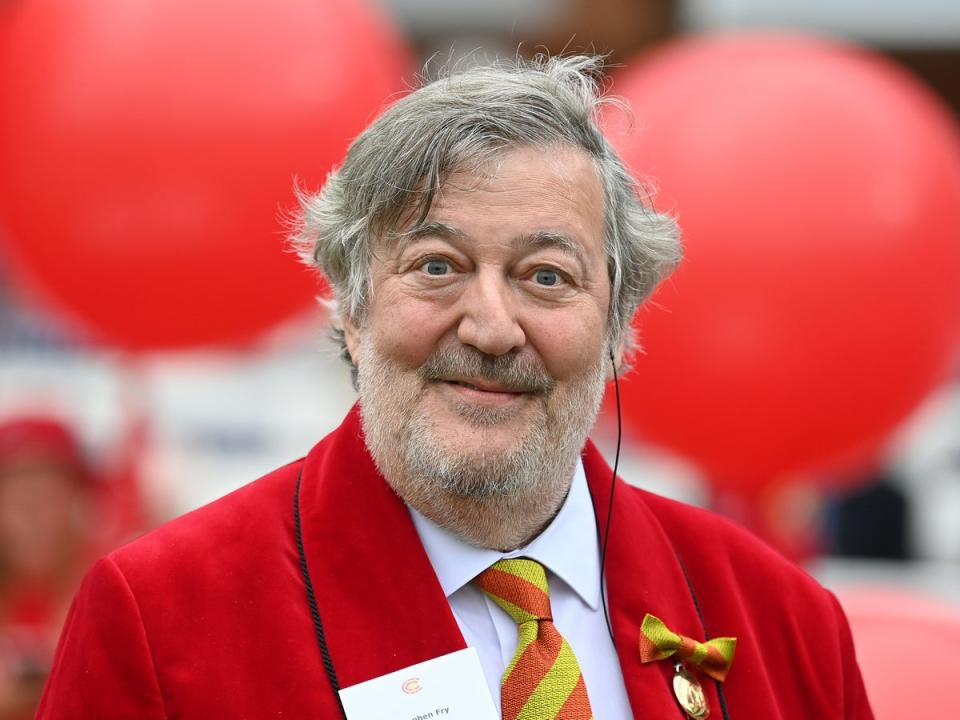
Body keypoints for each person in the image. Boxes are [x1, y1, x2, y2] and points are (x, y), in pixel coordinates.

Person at [37, 55, 873, 719]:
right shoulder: (161, 621)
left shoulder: (785, 625)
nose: (492, 326)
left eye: (546, 276)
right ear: (353, 309)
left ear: (618, 328)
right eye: (437, 267)